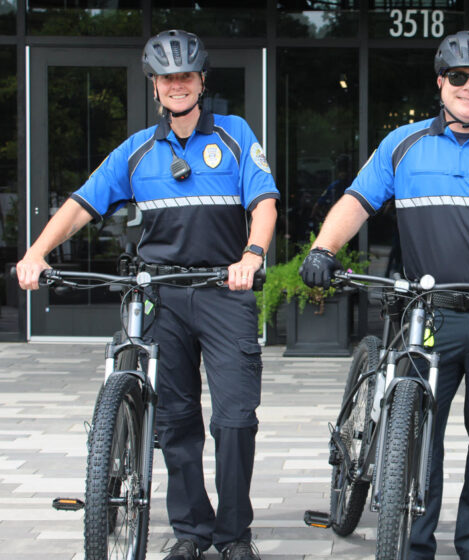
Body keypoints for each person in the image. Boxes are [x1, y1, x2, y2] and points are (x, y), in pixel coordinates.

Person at [300, 30, 469, 560]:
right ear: (440, 81)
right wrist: (322, 250)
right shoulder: (402, 145)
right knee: (416, 436)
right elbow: (358, 200)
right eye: (458, 76)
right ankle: (413, 544)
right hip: (427, 315)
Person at [16, 29, 277, 560]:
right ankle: (191, 532)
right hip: (163, 296)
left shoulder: (233, 135)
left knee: (234, 420)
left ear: (201, 81)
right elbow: (81, 205)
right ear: (155, 86)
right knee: (177, 423)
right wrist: (36, 252)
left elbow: (265, 202)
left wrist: (252, 255)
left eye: (186, 75)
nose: (177, 85)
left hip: (224, 291)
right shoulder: (136, 151)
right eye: (167, 77)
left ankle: (233, 535)